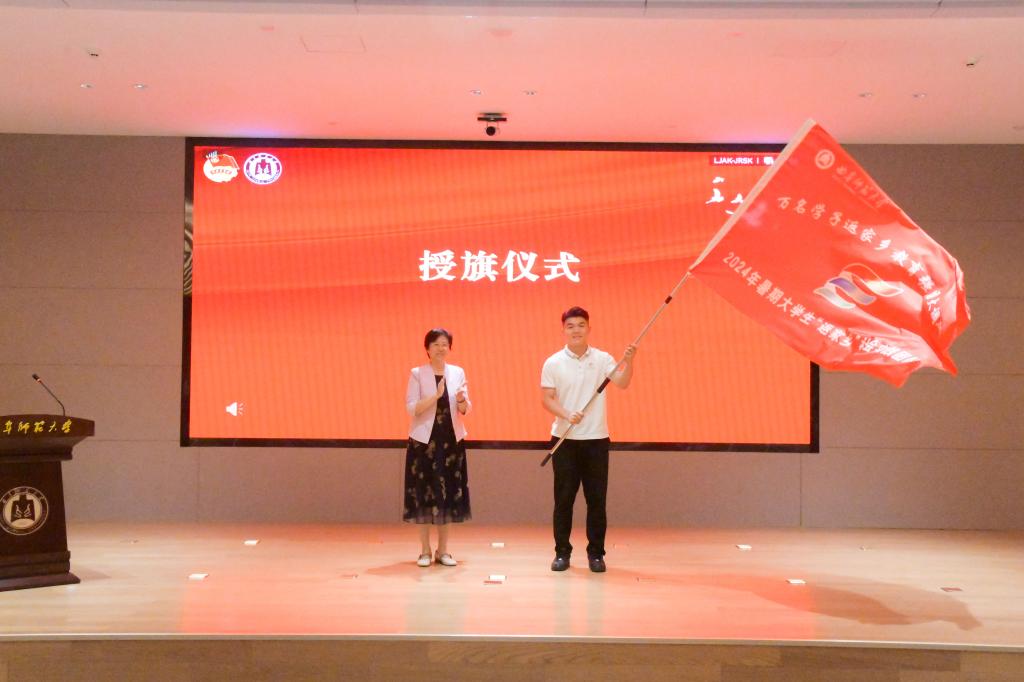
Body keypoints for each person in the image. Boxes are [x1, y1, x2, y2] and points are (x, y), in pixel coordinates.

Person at [541, 307, 636, 573]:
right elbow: (547, 399)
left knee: (596, 501)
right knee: (564, 500)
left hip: (596, 440)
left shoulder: (603, 359)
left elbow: (622, 382)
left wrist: (630, 361)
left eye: (581, 325)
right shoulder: (553, 362)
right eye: (571, 326)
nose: (576, 330)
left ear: (589, 328)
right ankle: (562, 553)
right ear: (564, 330)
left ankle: (596, 554)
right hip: (565, 440)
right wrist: (566, 414)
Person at [404, 328, 472, 567]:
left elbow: (465, 409)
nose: (441, 348)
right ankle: (424, 550)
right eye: (436, 344)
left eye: (444, 344)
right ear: (427, 348)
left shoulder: (457, 372)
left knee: (448, 494)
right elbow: (412, 408)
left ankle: (443, 551)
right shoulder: (417, 374)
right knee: (423, 493)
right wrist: (435, 396)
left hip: (451, 442)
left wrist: (461, 400)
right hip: (424, 443)